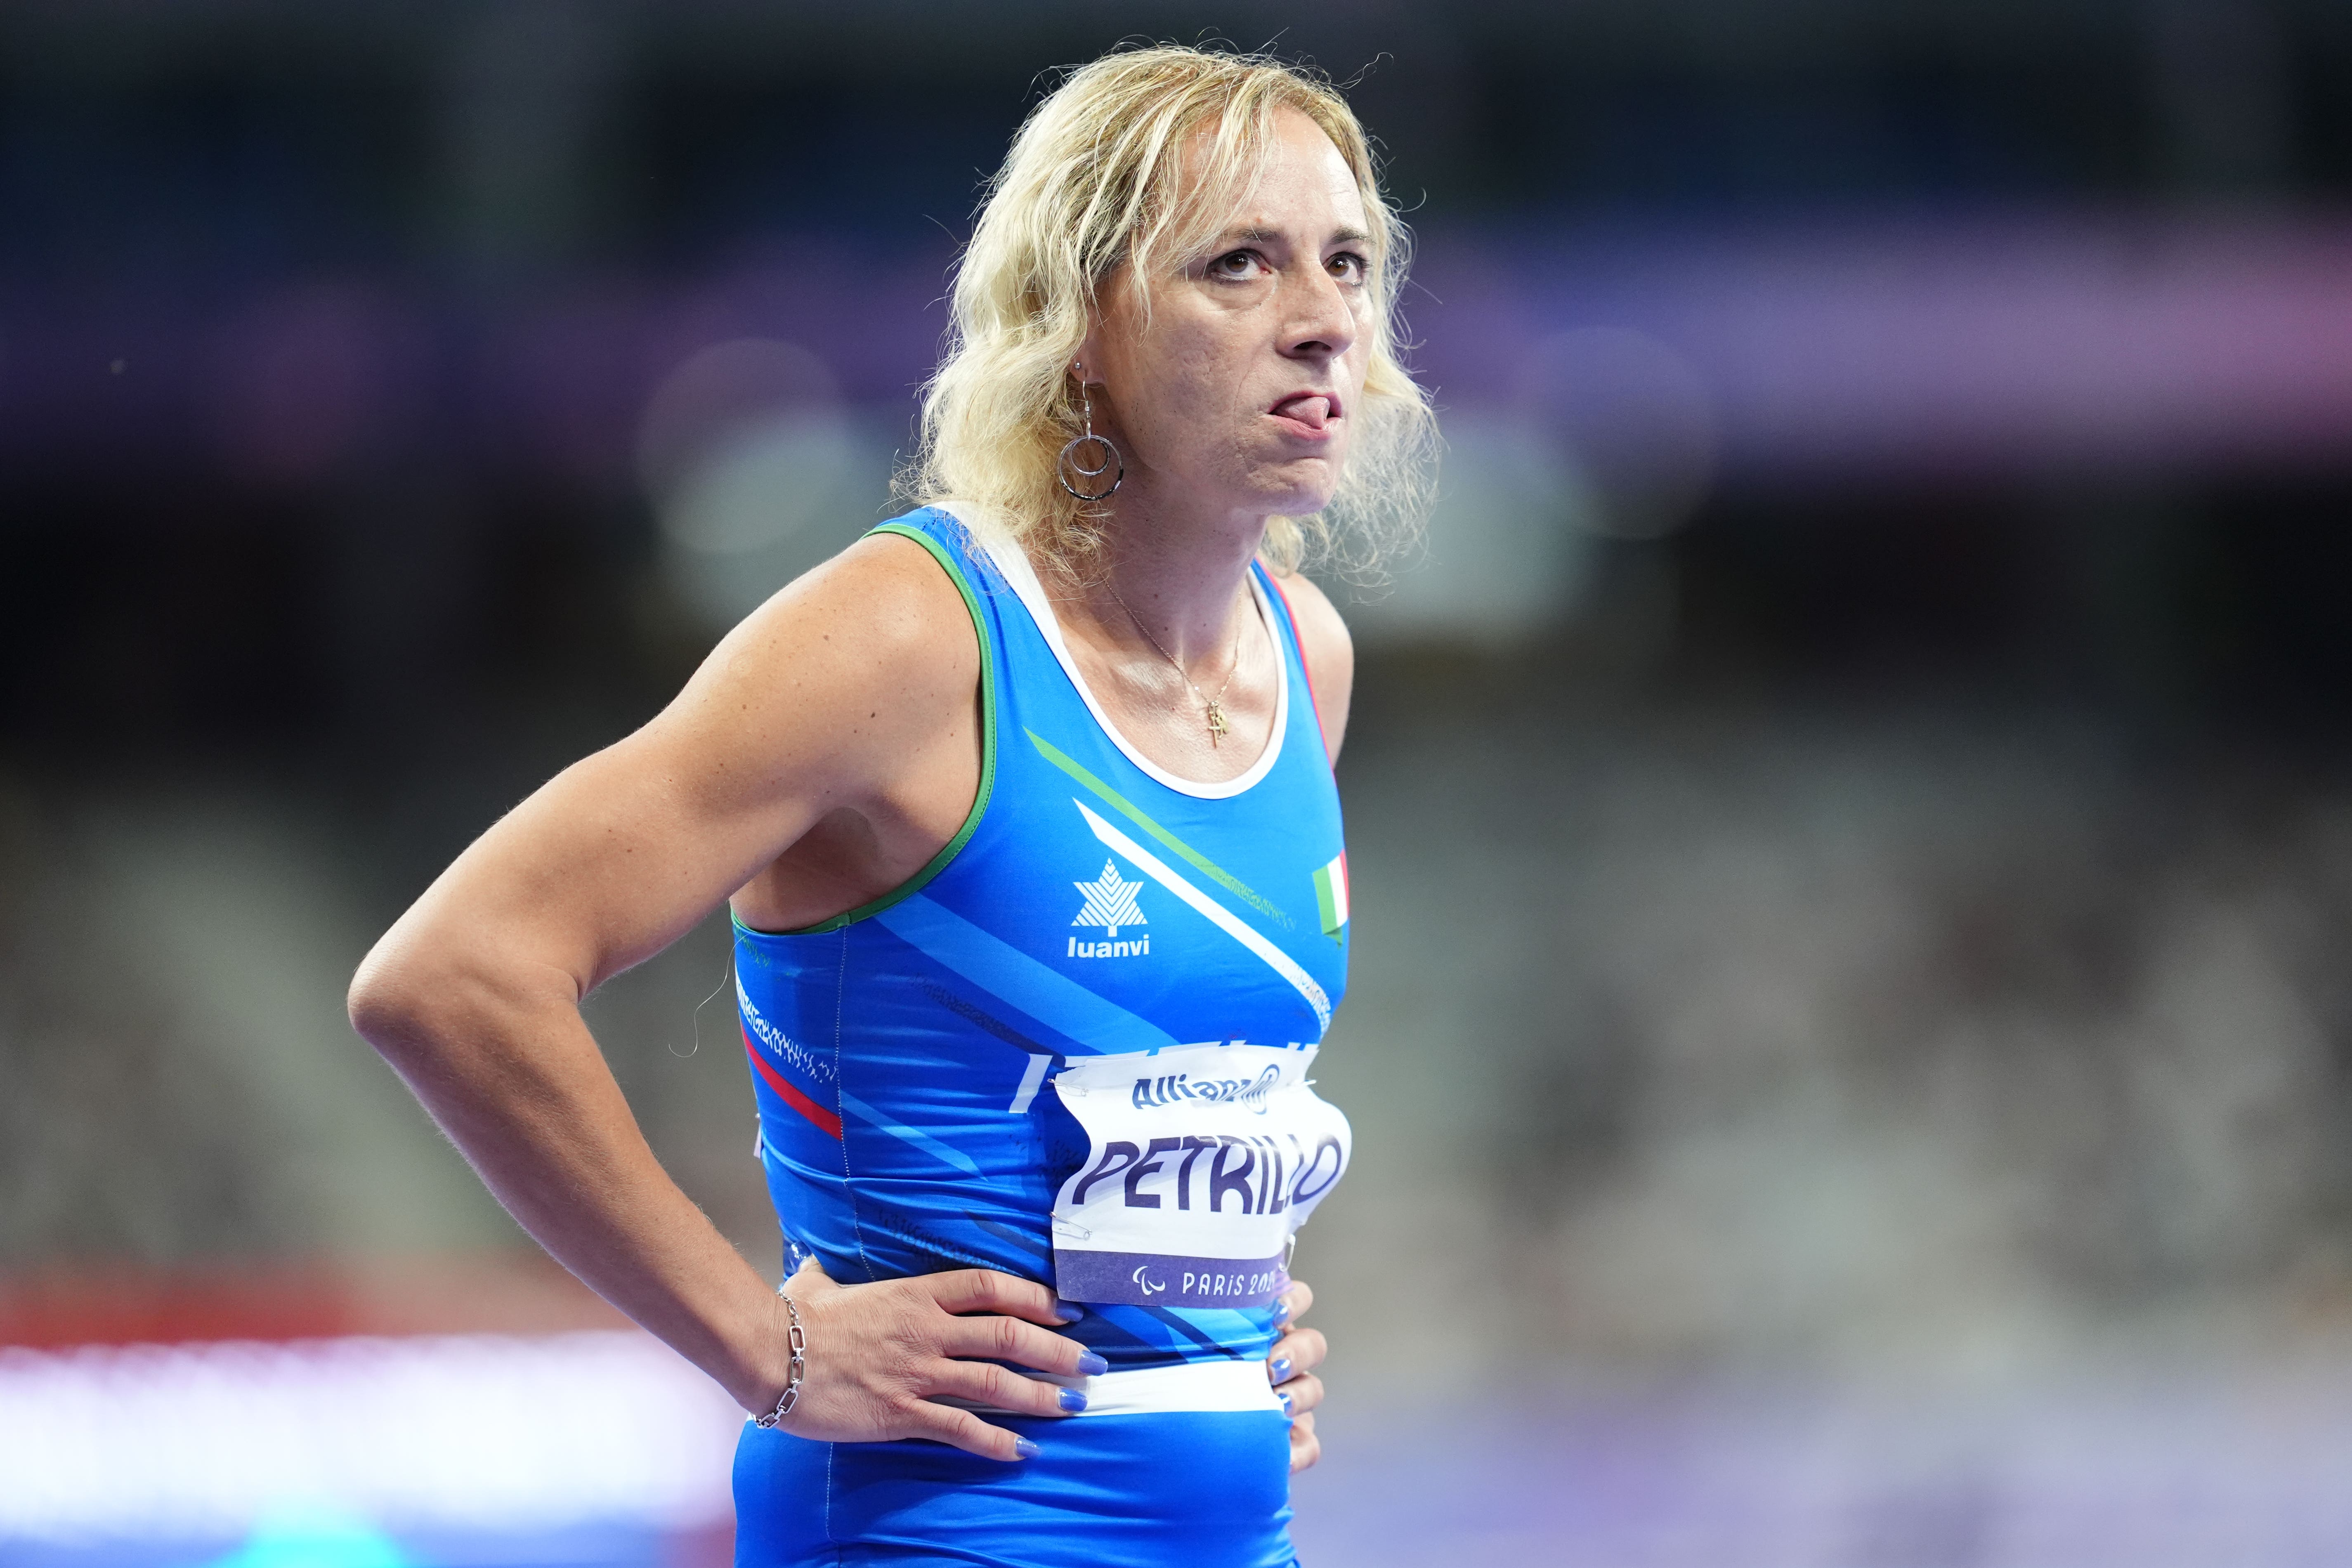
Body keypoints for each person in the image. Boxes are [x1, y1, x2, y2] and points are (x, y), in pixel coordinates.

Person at [348, 43, 1433, 1567]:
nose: (1324, 323)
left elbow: (1178, 1113)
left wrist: (1222, 1325)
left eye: (1348, 263)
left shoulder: (1298, 657)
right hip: (941, 1528)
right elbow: (450, 978)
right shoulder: (908, 639)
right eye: (1238, 266)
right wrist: (762, 1347)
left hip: (1232, 1527)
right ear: (1083, 324)